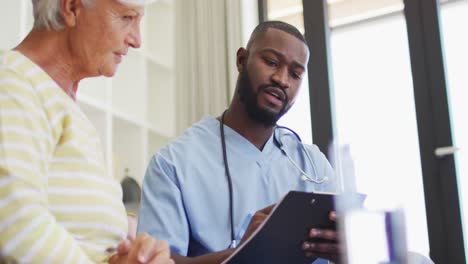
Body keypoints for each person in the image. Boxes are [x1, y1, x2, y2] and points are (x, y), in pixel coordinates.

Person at [138, 21, 339, 263]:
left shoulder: (313, 165)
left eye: (295, 74)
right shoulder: (173, 163)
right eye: (271, 63)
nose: (282, 79)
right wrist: (245, 254)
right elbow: (154, 261)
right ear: (242, 60)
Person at [0, 0, 173, 263]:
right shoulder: (13, 82)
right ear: (71, 8)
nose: (137, 40)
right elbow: (14, 223)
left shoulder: (64, 107)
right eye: (127, 17)